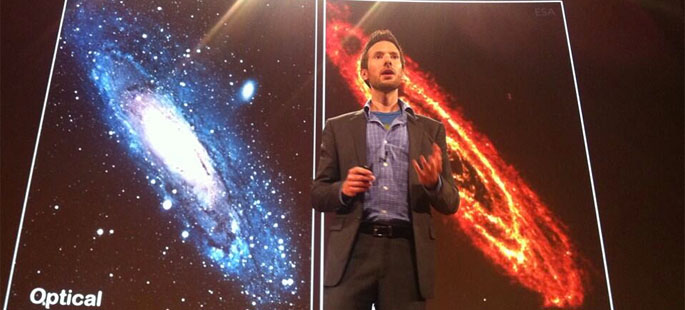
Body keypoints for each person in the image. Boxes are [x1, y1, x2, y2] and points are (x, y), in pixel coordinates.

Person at [311, 29, 460, 310]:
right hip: (353, 252)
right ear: (365, 73)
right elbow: (318, 194)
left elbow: (451, 202)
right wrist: (342, 189)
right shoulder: (338, 128)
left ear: (403, 72)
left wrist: (434, 184)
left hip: (407, 255)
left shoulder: (431, 130)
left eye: (394, 57)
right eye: (379, 56)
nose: (388, 61)